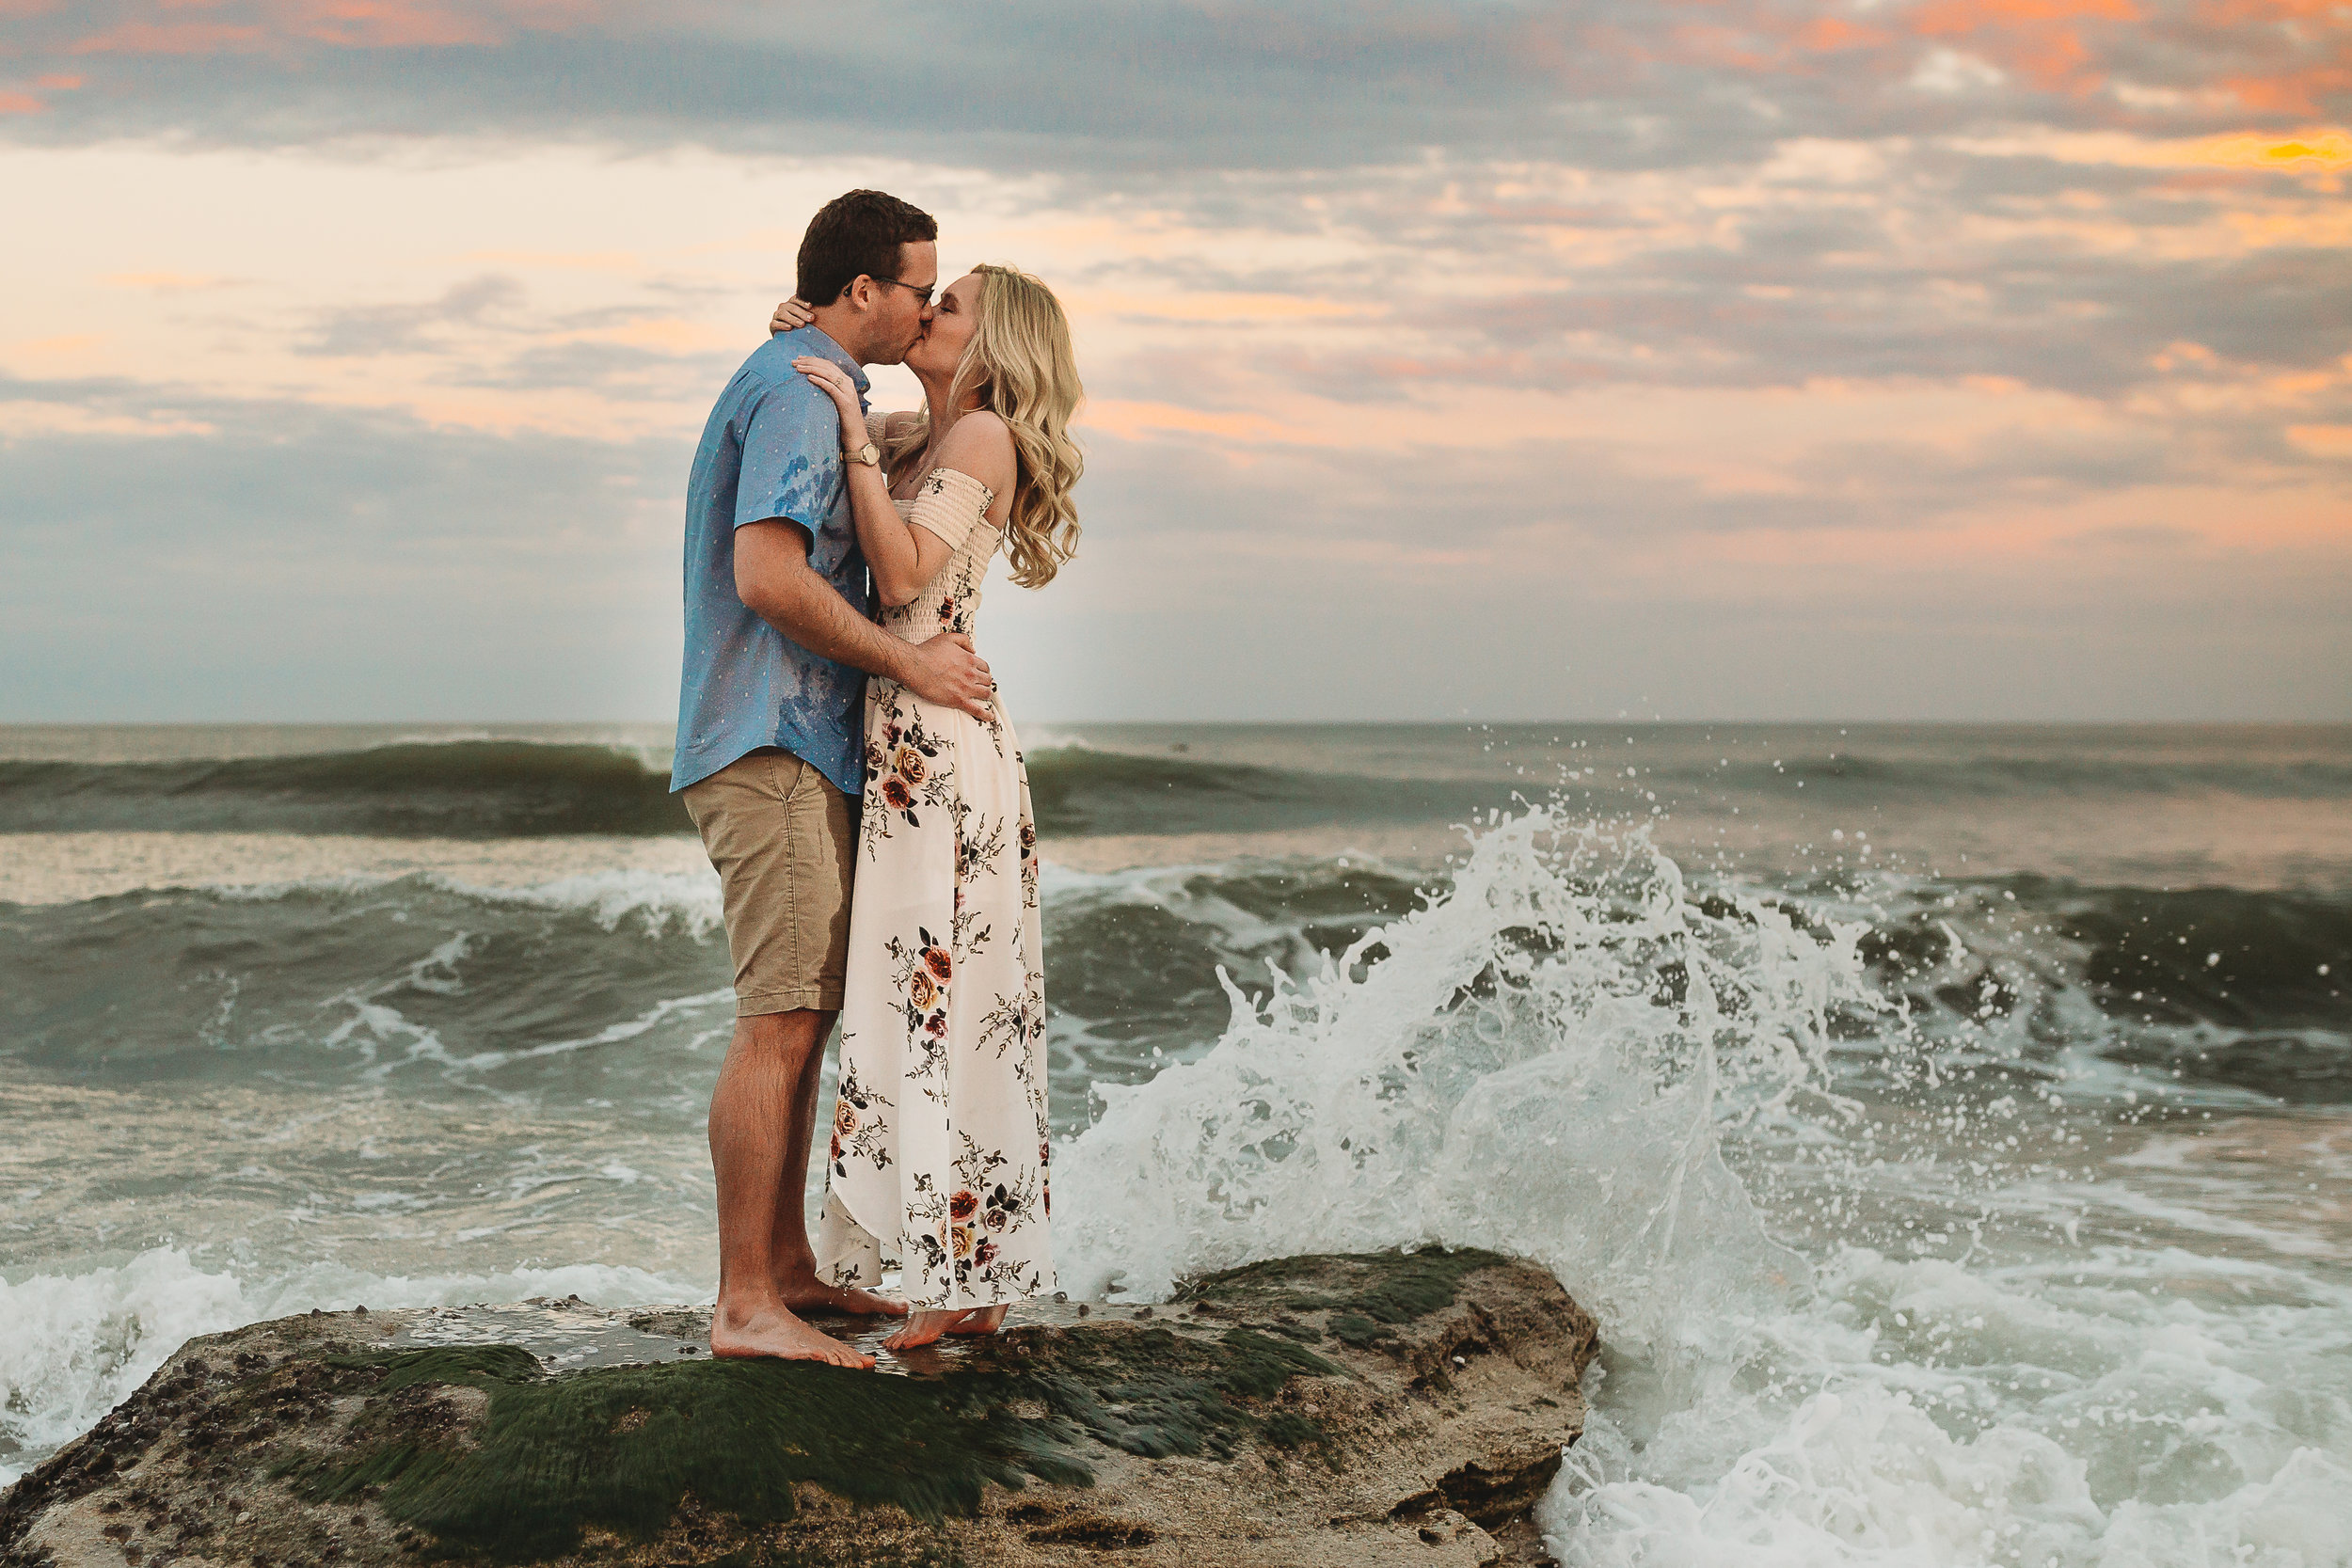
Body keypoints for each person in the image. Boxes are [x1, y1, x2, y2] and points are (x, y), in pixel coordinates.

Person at [671, 190, 998, 1369]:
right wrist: (908, 659)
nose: (925, 304)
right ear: (864, 290)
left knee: (804, 1017)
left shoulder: (821, 385)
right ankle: (744, 1301)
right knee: (779, 1019)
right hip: (767, 740)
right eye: (920, 285)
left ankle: (787, 1271)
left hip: (798, 742)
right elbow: (766, 576)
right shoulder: (798, 390)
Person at [769, 260, 1082, 1351]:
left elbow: (901, 579)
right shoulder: (928, 431)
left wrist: (855, 427)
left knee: (945, 992)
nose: (925, 309)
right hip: (907, 735)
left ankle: (963, 1273)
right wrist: (823, 353)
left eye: (948, 306)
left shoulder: (983, 435)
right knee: (928, 991)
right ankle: (964, 1268)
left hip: (939, 745)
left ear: (993, 344)